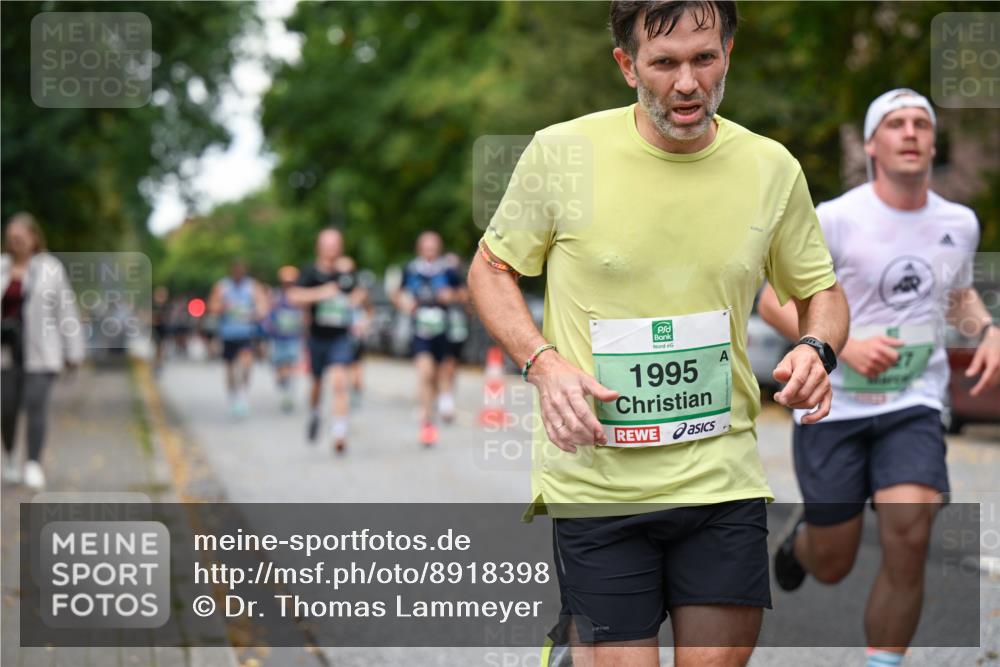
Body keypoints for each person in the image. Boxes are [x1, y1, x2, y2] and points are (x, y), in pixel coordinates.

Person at [467, 2, 851, 665]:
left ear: (728, 51)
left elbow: (822, 290)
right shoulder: (563, 152)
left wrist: (818, 346)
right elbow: (491, 268)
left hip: (720, 477)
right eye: (664, 62)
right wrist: (544, 361)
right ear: (626, 65)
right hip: (599, 483)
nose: (687, 83)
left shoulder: (770, 168)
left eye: (704, 58)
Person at [758, 89, 1000, 667]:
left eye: (922, 123)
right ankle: (806, 542)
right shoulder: (837, 219)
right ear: (872, 144)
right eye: (896, 123)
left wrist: (987, 329)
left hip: (913, 401)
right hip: (833, 403)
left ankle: (883, 661)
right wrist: (846, 343)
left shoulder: (959, 223)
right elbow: (772, 300)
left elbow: (957, 296)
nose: (911, 132)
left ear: (934, 141)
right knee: (835, 561)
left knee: (910, 533)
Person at [1, 212, 85, 490]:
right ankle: (11, 457)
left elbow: (66, 310)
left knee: (36, 405)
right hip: (6, 353)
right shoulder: (1, 267)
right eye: (11, 238)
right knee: (7, 407)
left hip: (42, 350)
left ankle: (33, 463)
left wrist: (73, 351)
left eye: (20, 237)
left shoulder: (50, 268)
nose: (15, 243)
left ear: (34, 238)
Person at [288, 228, 366, 453]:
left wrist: (354, 301)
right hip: (316, 338)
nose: (332, 248)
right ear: (319, 247)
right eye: (327, 244)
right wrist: (323, 292)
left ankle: (340, 433)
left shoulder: (346, 273)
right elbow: (294, 295)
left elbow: (361, 293)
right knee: (317, 384)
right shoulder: (310, 271)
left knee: (340, 382)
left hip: (340, 337)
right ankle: (314, 413)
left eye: (335, 244)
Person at [394, 231, 463, 447]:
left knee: (441, 373)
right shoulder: (411, 269)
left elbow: (465, 293)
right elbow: (396, 293)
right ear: (419, 248)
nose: (430, 250)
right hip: (420, 330)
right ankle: (426, 422)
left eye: (434, 246)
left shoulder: (448, 270)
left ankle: (438, 402)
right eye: (426, 246)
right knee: (425, 372)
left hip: (444, 328)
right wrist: (404, 304)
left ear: (439, 248)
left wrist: (450, 295)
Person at [207, 260, 269, 418]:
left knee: (246, 364)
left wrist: (256, 313)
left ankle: (242, 394)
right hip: (228, 334)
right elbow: (212, 306)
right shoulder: (223, 286)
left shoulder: (252, 286)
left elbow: (263, 305)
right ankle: (233, 395)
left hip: (246, 333)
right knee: (230, 370)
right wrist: (223, 307)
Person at [267, 266, 305, 413]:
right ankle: (284, 386)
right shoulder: (276, 297)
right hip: (278, 338)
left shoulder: (300, 297)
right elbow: (269, 315)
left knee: (291, 366)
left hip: (293, 338)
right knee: (280, 368)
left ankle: (288, 394)